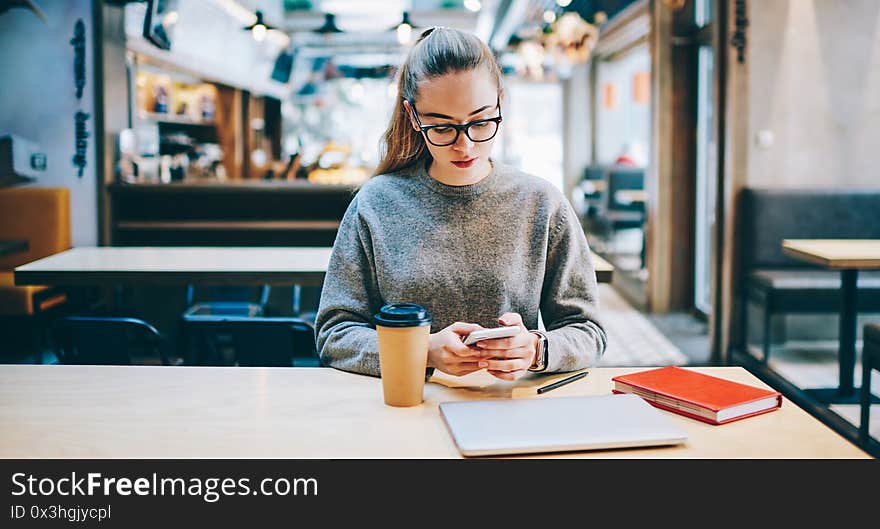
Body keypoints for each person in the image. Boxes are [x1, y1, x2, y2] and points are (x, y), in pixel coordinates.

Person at [315, 27, 606, 380]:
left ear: (501, 101)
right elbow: (335, 332)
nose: (465, 146)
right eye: (441, 127)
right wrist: (420, 352)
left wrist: (535, 349)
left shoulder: (541, 204)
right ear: (413, 116)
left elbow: (588, 331)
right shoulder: (375, 204)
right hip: (402, 410)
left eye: (481, 121)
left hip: (507, 413)